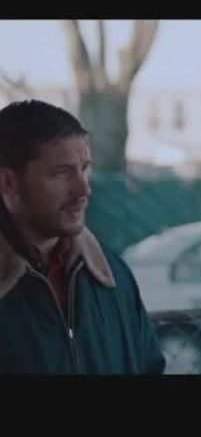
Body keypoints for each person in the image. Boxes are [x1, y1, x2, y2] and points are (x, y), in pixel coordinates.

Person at [0, 99, 165, 373]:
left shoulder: (111, 274)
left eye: (85, 168)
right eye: (62, 172)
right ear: (9, 182)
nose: (83, 189)